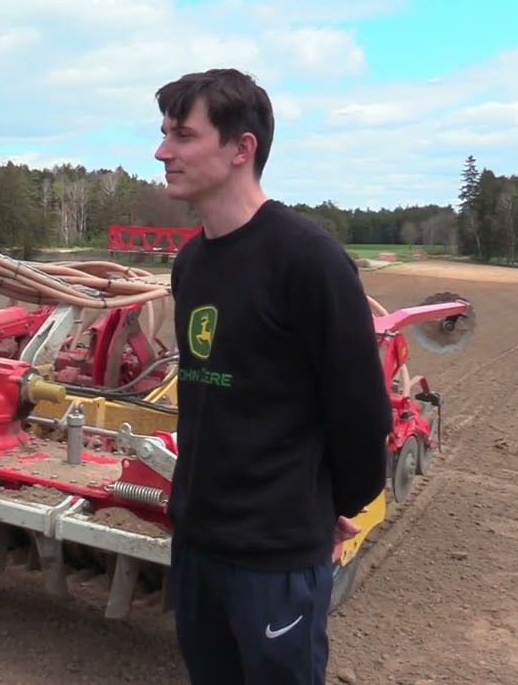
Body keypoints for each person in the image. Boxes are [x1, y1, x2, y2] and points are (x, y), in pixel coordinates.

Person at [154, 68, 393, 684]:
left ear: (241, 149)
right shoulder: (193, 263)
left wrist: (336, 505)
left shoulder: (306, 259)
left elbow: (361, 408)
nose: (162, 152)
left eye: (182, 135)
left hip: (274, 555)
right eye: (163, 134)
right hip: (199, 540)